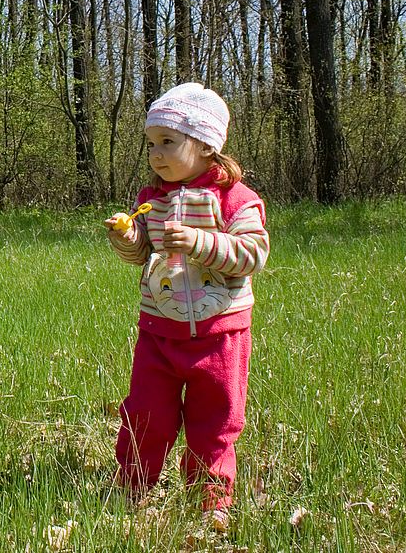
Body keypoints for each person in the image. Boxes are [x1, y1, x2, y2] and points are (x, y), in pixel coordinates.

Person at [104, 82, 270, 526]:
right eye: (151, 143)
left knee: (214, 421)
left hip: (220, 334)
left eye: (167, 141)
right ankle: (133, 486)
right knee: (145, 414)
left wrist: (200, 242)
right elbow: (143, 255)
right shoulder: (150, 200)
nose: (156, 153)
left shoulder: (235, 199)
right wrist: (128, 239)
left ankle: (210, 501)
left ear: (205, 144)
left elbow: (252, 254)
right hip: (159, 330)